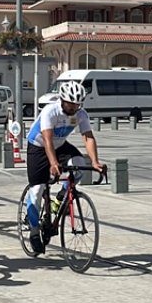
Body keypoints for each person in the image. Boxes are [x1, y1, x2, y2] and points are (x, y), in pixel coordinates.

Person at [23, 80, 104, 255]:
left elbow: (88, 137)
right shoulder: (50, 111)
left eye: (78, 104)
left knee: (80, 164)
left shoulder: (81, 114)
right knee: (37, 190)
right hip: (38, 146)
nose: (75, 107)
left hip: (59, 145)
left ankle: (61, 197)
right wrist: (53, 164)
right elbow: (46, 139)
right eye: (71, 104)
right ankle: (34, 231)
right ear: (62, 100)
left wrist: (95, 161)